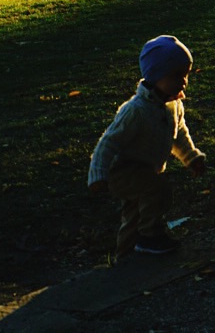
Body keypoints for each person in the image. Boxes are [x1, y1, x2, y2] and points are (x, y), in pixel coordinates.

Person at [88, 35, 207, 256]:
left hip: (145, 169)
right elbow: (109, 142)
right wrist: (97, 174)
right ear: (156, 76)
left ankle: (125, 257)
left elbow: (178, 134)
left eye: (186, 75)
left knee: (133, 215)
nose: (183, 82)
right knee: (158, 189)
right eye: (176, 76)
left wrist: (191, 157)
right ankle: (150, 235)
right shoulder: (136, 110)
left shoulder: (173, 105)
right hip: (123, 170)